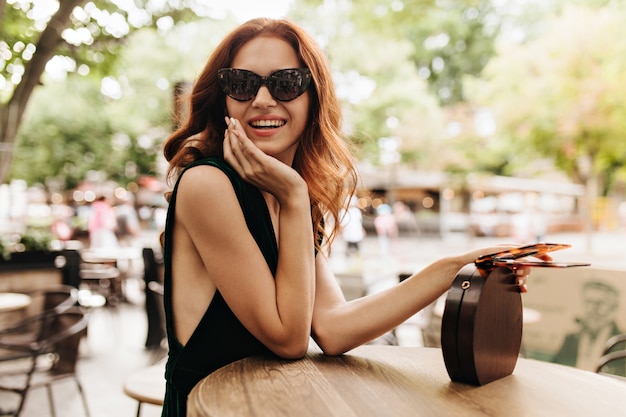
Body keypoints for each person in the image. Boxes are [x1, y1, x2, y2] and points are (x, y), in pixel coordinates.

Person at [159, 18, 536, 417]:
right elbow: (288, 339)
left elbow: (334, 327)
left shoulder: (287, 196)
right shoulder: (209, 185)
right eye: (242, 83)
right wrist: (293, 195)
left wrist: (454, 267)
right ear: (224, 100)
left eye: (286, 82)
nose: (263, 99)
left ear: (313, 97)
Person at [554, 280, 622, 372]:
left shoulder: (621, 343)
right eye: (588, 302)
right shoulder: (571, 339)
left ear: (613, 307)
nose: (592, 309)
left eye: (600, 303)